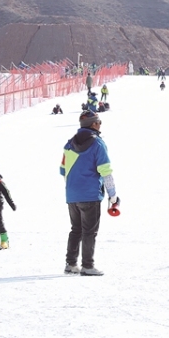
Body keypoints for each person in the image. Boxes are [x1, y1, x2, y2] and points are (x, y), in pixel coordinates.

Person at [59, 110, 119, 276]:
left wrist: (74, 186)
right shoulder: (97, 143)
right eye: (99, 122)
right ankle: (87, 265)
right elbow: (105, 170)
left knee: (75, 230)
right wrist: (112, 194)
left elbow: (62, 170)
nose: (100, 125)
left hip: (72, 195)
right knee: (89, 231)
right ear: (93, 124)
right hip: (90, 195)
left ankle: (71, 264)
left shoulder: (69, 144)